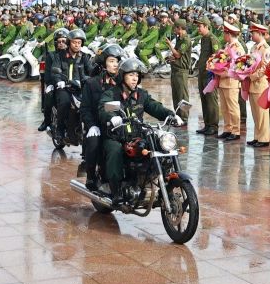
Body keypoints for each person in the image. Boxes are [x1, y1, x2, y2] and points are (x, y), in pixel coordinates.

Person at [99, 58, 177, 198]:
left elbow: (154, 106)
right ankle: (115, 190)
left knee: (158, 145)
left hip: (136, 135)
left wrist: (170, 114)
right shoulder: (111, 93)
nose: (135, 79)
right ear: (122, 76)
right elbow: (104, 107)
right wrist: (112, 117)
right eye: (131, 75)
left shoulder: (141, 95)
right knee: (115, 150)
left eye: (137, 75)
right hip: (116, 136)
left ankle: (157, 180)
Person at [79, 44, 121, 190]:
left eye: (117, 61)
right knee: (94, 143)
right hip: (97, 125)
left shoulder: (122, 84)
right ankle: (90, 176)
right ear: (103, 64)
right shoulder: (91, 84)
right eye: (111, 61)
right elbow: (84, 109)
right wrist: (91, 125)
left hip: (117, 125)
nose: (115, 64)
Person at [47, 29, 92, 141]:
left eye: (79, 43)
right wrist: (59, 81)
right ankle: (60, 129)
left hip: (80, 87)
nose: (77, 45)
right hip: (64, 87)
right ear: (69, 43)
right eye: (74, 42)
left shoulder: (85, 57)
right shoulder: (60, 55)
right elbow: (54, 70)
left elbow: (91, 71)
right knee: (65, 102)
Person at [246, 23, 270, 148]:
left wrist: (252, 76)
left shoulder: (266, 49)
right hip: (252, 85)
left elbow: (265, 68)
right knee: (255, 113)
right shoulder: (254, 47)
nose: (251, 35)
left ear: (260, 34)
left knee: (262, 113)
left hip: (260, 84)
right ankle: (257, 136)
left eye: (253, 33)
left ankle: (264, 138)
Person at [218, 23, 244, 141]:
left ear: (229, 34)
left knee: (233, 107)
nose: (224, 35)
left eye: (225, 33)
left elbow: (239, 66)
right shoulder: (228, 46)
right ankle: (227, 129)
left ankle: (235, 130)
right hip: (223, 80)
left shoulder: (237, 47)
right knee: (224, 108)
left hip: (231, 81)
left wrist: (224, 72)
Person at [194, 16, 219, 136]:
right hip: (202, 73)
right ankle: (207, 124)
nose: (198, 28)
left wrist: (212, 72)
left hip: (209, 74)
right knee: (204, 99)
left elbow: (217, 56)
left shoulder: (212, 39)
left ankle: (213, 125)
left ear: (206, 26)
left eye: (200, 26)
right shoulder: (203, 39)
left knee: (211, 100)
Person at [168, 19, 191, 121]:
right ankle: (178, 117)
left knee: (183, 95)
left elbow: (178, 54)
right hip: (175, 69)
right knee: (176, 95)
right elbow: (176, 55)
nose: (174, 30)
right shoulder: (179, 38)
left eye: (175, 28)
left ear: (180, 28)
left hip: (181, 71)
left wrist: (169, 45)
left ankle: (184, 118)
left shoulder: (186, 40)